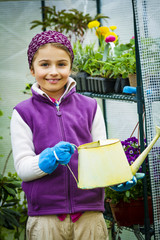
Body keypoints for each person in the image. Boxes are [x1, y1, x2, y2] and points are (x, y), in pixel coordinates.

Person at [10, 30, 143, 240]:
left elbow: (101, 159)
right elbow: (23, 168)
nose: (53, 71)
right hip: (46, 220)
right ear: (31, 69)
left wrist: (115, 178)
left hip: (90, 216)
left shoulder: (90, 107)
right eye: (44, 64)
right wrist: (49, 158)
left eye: (61, 64)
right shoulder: (23, 113)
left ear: (71, 68)